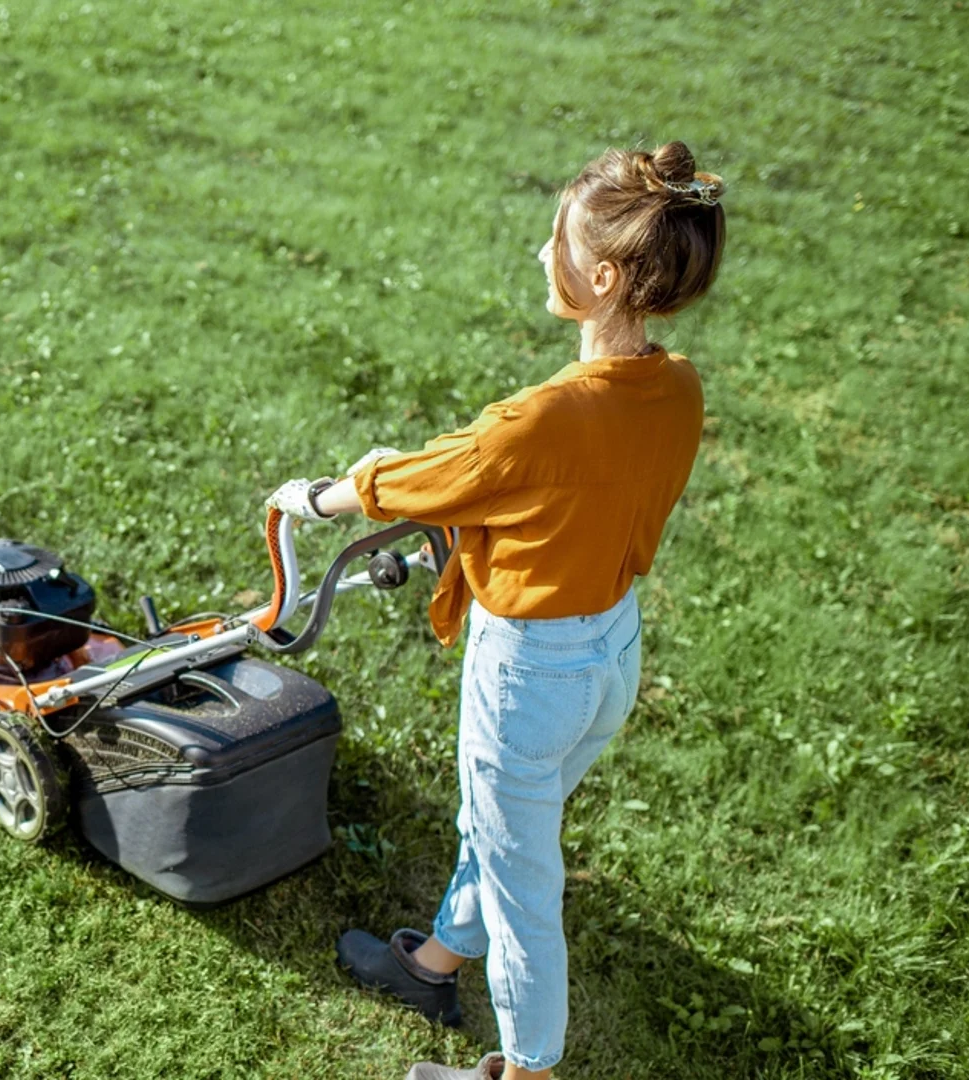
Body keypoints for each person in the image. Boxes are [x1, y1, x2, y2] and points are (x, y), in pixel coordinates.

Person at [265, 142, 728, 1080]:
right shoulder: (677, 388)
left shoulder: (540, 421)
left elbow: (427, 478)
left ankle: (526, 1071)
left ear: (600, 276)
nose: (538, 254)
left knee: (525, 882)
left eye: (552, 240)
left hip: (531, 675)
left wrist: (313, 500)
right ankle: (434, 964)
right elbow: (571, 496)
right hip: (610, 658)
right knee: (505, 822)